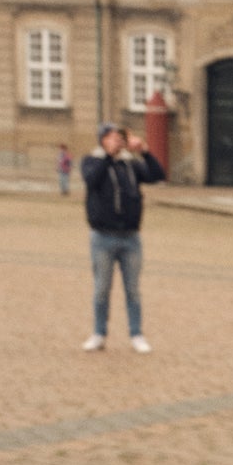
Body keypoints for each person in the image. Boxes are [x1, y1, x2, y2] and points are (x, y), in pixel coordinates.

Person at [80, 123, 165, 354]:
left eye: (119, 137)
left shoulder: (131, 165)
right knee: (101, 289)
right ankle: (99, 334)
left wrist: (145, 151)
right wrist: (108, 156)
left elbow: (158, 175)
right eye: (110, 137)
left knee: (133, 290)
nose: (116, 141)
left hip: (130, 238)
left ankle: (136, 334)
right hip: (102, 238)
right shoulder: (92, 161)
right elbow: (91, 180)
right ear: (102, 140)